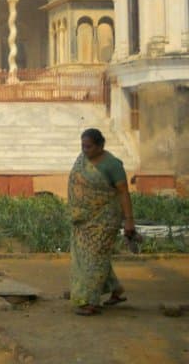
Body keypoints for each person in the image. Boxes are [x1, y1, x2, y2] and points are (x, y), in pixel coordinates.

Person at [69, 128, 137, 316]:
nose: (84, 150)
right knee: (88, 257)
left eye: (89, 146)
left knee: (94, 258)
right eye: (82, 145)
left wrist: (129, 221)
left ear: (100, 146)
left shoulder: (112, 165)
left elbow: (123, 193)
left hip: (105, 219)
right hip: (83, 219)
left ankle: (90, 301)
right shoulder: (82, 160)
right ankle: (115, 289)